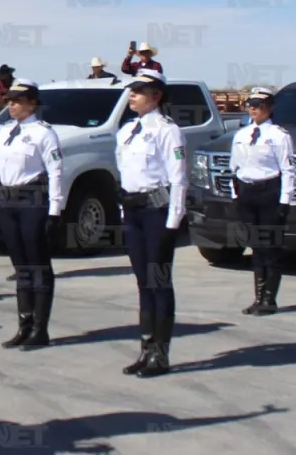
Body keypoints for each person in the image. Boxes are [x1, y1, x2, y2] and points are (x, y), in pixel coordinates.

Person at [115, 70, 187, 378]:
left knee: (159, 282)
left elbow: (179, 178)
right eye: (132, 89)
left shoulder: (167, 130)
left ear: (156, 95)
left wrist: (173, 221)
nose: (132, 94)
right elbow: (126, 172)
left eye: (139, 90)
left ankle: (161, 353)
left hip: (158, 212)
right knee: (143, 283)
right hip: (133, 212)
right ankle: (146, 348)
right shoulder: (128, 130)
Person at [0, 79, 65, 350]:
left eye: (17, 100)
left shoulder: (44, 133)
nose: (10, 104)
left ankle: (40, 329)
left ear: (31, 103)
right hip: (7, 202)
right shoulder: (6, 131)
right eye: (9, 99)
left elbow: (55, 172)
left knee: (38, 266)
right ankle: (24, 324)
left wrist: (55, 210)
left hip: (32, 201)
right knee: (21, 268)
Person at [230, 87, 295, 316]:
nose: (254, 109)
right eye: (251, 105)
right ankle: (258, 297)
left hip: (269, 192)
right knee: (256, 248)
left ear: (270, 108)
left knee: (271, 248)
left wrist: (284, 201)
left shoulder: (278, 135)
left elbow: (287, 170)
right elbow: (234, 168)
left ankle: (270, 299)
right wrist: (235, 196)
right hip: (248, 193)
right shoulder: (241, 135)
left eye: (259, 105)